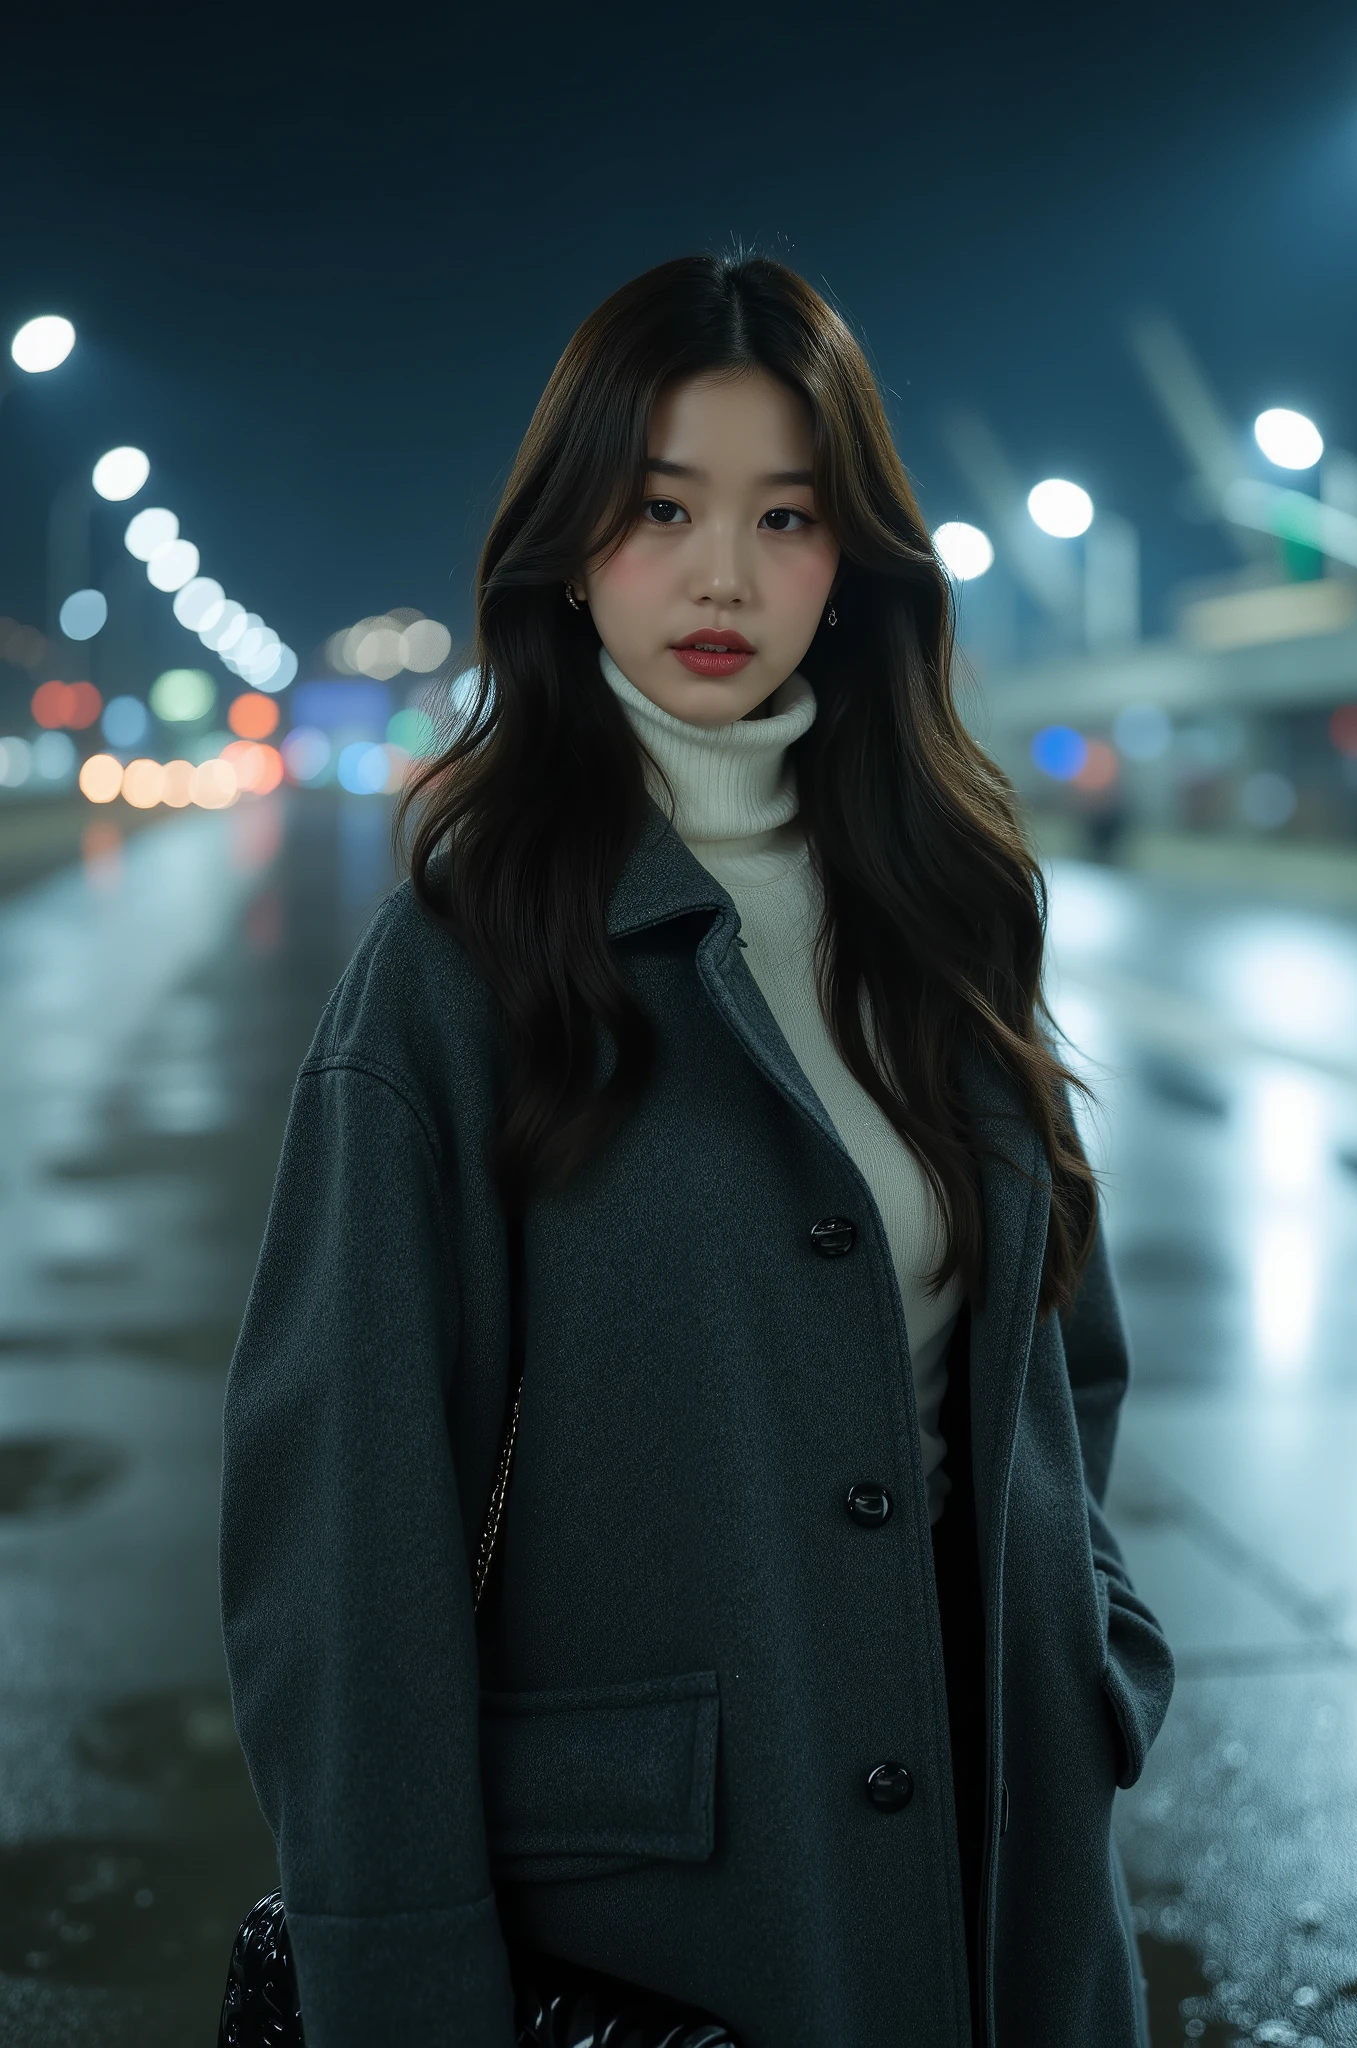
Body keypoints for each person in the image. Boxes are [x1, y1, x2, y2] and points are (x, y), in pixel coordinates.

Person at [220, 253, 1174, 2048]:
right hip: (669, 1923)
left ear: (854, 561)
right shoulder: (461, 965)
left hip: (1011, 1881)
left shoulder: (947, 913)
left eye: (786, 516)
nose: (723, 574)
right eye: (662, 507)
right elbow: (345, 1542)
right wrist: (400, 1980)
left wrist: (1087, 1643)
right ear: (571, 544)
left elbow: (1063, 1359)